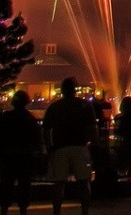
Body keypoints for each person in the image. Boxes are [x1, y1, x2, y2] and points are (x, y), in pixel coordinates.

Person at [44, 78, 97, 215]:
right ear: (75, 90)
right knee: (84, 182)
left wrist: (49, 148)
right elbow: (92, 128)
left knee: (58, 183)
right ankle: (85, 211)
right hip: (80, 146)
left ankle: (57, 211)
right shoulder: (85, 106)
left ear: (62, 90)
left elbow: (46, 130)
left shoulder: (54, 107)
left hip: (60, 148)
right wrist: (92, 145)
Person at [0, 90, 43, 215]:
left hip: (7, 156)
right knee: (24, 185)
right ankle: (23, 210)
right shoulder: (30, 118)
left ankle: (4, 210)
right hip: (25, 156)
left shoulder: (6, 117)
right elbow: (37, 139)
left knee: (6, 185)